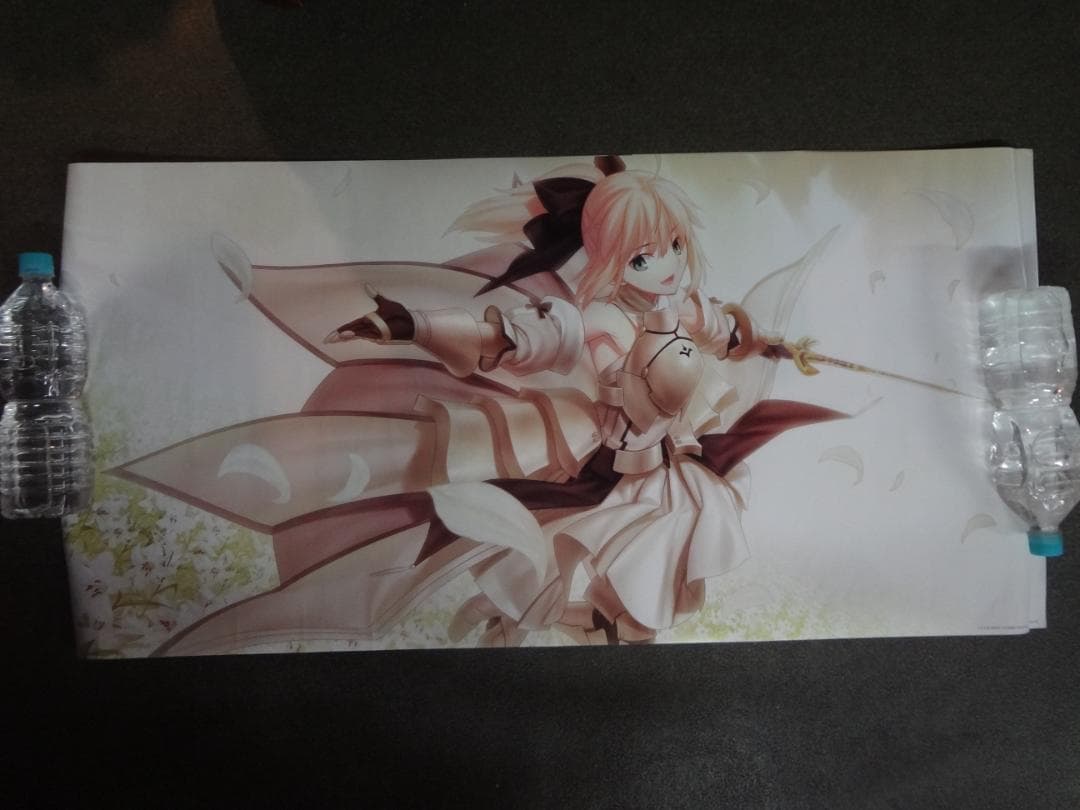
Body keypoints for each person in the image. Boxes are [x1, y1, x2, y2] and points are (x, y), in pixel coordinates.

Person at [316, 156, 840, 645]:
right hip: (609, 469)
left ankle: (589, 622)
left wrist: (782, 348)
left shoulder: (679, 306)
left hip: (669, 462)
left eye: (676, 245)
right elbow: (509, 341)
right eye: (643, 257)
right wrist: (415, 326)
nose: (668, 265)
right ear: (610, 258)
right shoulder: (594, 320)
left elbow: (726, 333)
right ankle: (531, 615)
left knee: (679, 553)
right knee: (607, 569)